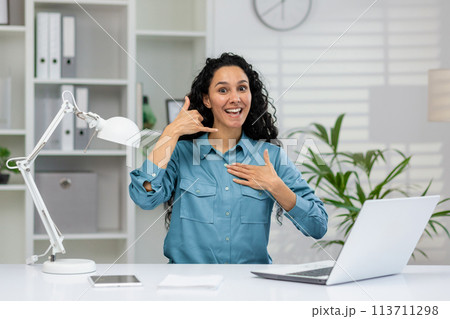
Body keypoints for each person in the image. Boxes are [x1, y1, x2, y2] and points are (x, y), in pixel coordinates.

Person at [129, 52, 328, 264]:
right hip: (188, 286)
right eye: (223, 90)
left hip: (248, 287)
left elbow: (318, 226)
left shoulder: (272, 157)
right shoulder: (181, 153)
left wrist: (276, 186)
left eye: (242, 88)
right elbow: (144, 198)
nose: (235, 98)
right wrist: (170, 134)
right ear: (207, 99)